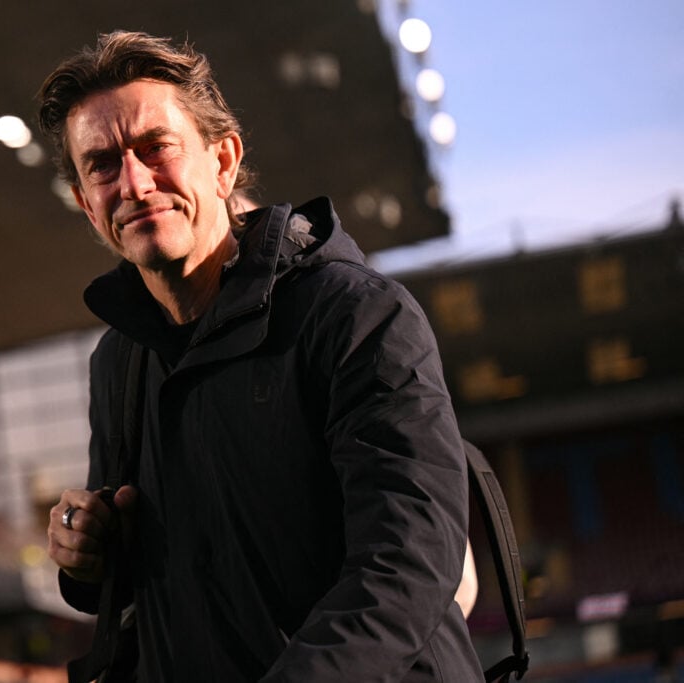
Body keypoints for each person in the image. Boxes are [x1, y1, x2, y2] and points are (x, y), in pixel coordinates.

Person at [41, 31, 484, 681]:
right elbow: (143, 580)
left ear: (223, 162)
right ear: (86, 203)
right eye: (102, 165)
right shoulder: (119, 360)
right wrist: (86, 554)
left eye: (155, 148)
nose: (133, 182)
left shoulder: (357, 314)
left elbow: (409, 561)